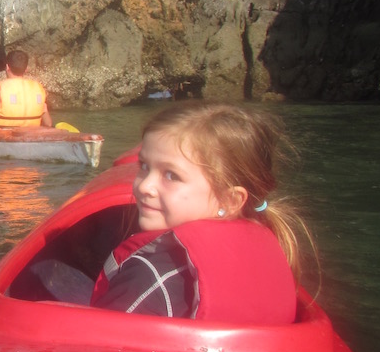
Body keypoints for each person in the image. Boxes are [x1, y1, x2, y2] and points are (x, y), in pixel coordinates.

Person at [91, 101, 315, 324]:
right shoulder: (271, 249)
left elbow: (97, 346)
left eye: (171, 176)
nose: (144, 186)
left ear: (229, 200)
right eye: (144, 166)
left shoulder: (149, 274)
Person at [0, 50, 52, 129]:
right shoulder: (38, 88)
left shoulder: (0, 88)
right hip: (31, 136)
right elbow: (48, 123)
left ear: (7, 67)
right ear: (26, 69)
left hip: (4, 136)